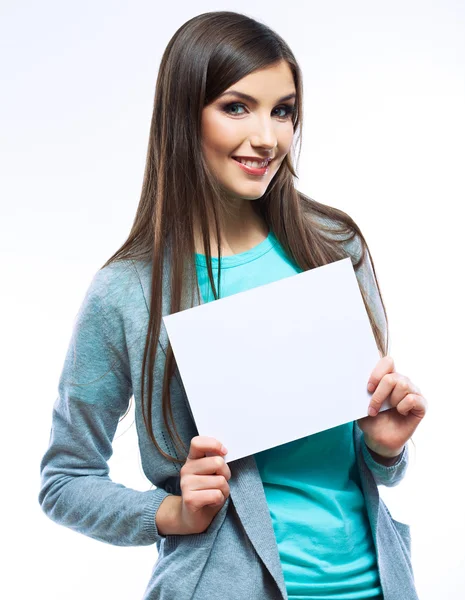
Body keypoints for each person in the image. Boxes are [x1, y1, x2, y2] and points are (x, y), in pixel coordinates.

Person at [38, 10, 428, 600]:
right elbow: (64, 481)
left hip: (376, 586)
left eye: (283, 110)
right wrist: (169, 513)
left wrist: (383, 445)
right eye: (236, 107)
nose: (267, 138)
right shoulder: (127, 291)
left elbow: (371, 466)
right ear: (183, 115)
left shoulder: (333, 248)